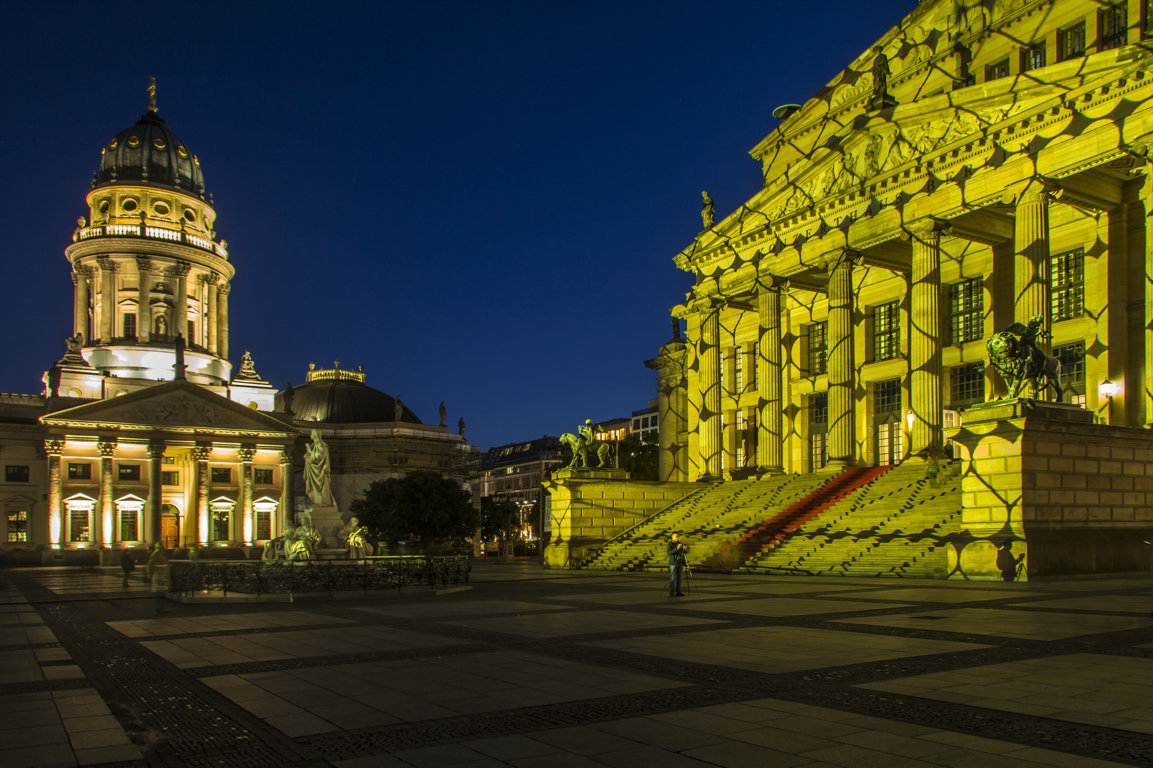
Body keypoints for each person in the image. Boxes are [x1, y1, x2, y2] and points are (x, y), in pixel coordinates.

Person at [304, 428, 337, 508]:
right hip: (314, 471)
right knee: (316, 489)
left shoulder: (320, 444)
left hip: (319, 472)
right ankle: (319, 502)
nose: (310, 435)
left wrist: (310, 450)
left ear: (315, 434)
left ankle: (322, 503)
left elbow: (319, 457)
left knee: (320, 488)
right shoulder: (314, 445)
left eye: (311, 433)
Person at [667, 532, 687, 597]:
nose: (677, 538)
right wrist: (676, 548)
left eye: (678, 536)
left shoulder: (680, 543)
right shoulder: (670, 544)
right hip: (673, 563)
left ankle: (678, 591)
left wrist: (685, 549)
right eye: (676, 536)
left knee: (679, 578)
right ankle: (671, 592)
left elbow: (684, 552)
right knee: (672, 578)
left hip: (679, 562)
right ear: (672, 537)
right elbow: (669, 552)